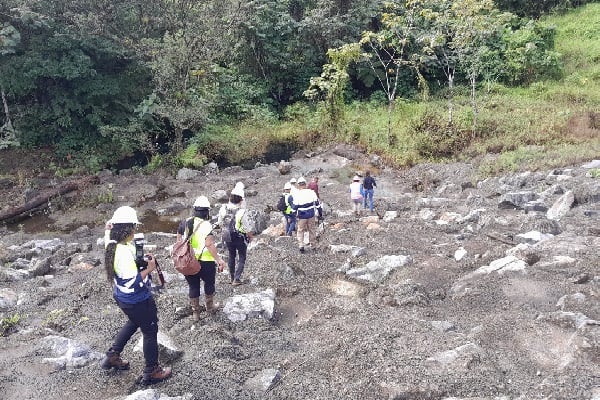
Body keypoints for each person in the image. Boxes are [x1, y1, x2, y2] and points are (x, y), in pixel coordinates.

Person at [101, 206, 172, 385]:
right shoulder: (123, 252)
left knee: (134, 322)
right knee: (149, 330)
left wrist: (141, 260)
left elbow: (108, 228)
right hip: (136, 299)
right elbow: (133, 281)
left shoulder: (111, 242)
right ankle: (152, 370)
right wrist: (149, 269)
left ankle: (113, 355)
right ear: (126, 230)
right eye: (133, 227)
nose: (134, 230)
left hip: (122, 296)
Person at [177, 196, 226, 320]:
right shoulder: (206, 225)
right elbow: (209, 244)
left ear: (195, 210)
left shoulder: (186, 222)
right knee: (209, 284)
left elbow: (178, 238)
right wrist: (219, 260)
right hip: (206, 262)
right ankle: (210, 308)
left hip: (189, 261)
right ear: (206, 211)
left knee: (193, 286)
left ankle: (196, 313)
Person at [218, 184, 254, 286]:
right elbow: (247, 227)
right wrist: (250, 236)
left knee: (231, 255)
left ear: (230, 197)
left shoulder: (223, 208)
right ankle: (237, 279)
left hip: (227, 236)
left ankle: (232, 277)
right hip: (239, 237)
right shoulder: (242, 212)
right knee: (242, 256)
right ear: (241, 200)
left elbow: (220, 223)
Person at [290, 177, 323, 253]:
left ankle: (301, 245)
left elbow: (294, 208)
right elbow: (318, 205)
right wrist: (320, 214)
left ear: (298, 185)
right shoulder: (311, 192)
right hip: (311, 215)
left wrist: (293, 216)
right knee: (312, 230)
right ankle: (313, 245)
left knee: (300, 230)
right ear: (305, 184)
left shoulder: (297, 194)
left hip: (302, 216)